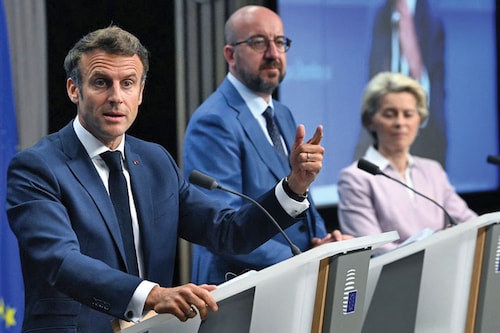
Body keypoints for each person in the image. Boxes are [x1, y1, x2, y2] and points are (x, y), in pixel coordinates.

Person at [5, 26, 326, 332]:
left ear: (141, 92)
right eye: (101, 82)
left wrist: (295, 185)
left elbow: (229, 232)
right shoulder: (36, 168)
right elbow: (60, 261)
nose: (116, 97)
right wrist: (153, 295)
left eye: (128, 83)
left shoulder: (156, 162)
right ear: (74, 89)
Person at [183, 5, 348, 286]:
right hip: (241, 288)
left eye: (280, 42)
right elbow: (224, 227)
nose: (273, 54)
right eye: (258, 42)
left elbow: (301, 195)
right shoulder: (213, 122)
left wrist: (324, 240)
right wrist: (306, 258)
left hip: (294, 279)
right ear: (230, 55)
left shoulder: (281, 112)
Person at [337, 72, 476, 255]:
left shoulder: (432, 170)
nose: (400, 123)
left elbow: (471, 225)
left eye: (408, 114)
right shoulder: (355, 178)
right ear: (370, 121)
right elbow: (375, 250)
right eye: (389, 114)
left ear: (419, 120)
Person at [354, 0, 446, 168]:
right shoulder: (380, 15)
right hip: (378, 140)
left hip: (426, 138)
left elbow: (436, 83)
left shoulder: (433, 18)